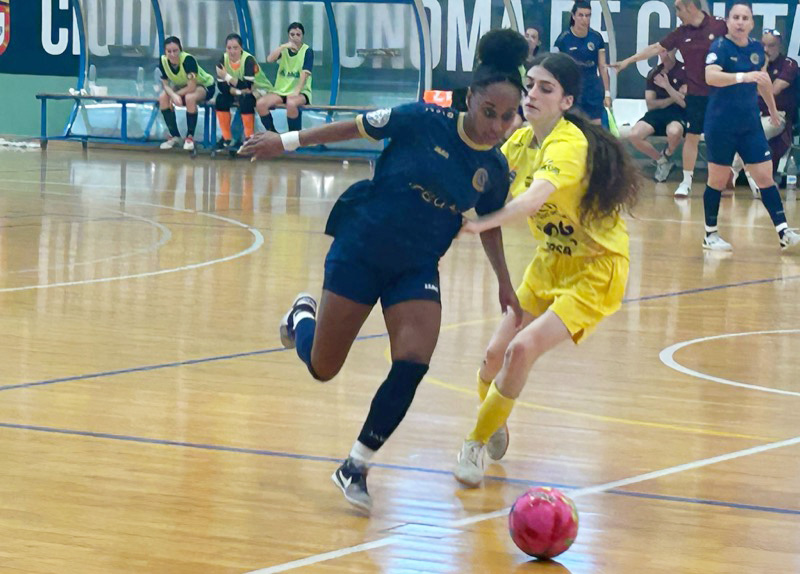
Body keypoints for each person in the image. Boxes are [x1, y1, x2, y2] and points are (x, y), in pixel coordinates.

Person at [239, 29, 528, 513]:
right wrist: (284, 142)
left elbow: (490, 224)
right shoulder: (423, 119)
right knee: (323, 368)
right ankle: (301, 317)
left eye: (507, 116)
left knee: (414, 359)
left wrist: (504, 280)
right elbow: (353, 127)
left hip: (416, 266)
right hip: (362, 246)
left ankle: (356, 464)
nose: (497, 126)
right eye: (489, 112)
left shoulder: (495, 169)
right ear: (470, 99)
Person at [450, 52, 640, 488]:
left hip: (596, 268)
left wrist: (481, 222)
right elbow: (477, 174)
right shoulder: (520, 142)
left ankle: (473, 443)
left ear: (566, 101)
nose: (532, 94)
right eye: (530, 85)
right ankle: (494, 419)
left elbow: (533, 200)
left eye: (545, 88)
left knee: (521, 349)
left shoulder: (568, 144)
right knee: (493, 356)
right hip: (551, 260)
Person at [700, 2, 800, 253]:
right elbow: (711, 76)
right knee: (718, 179)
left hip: (749, 124)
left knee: (765, 177)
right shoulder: (720, 47)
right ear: (728, 21)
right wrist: (742, 77)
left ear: (752, 23)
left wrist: (773, 111)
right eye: (736, 17)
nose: (740, 22)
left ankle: (783, 232)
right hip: (721, 124)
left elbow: (763, 82)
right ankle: (710, 234)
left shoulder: (756, 49)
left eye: (745, 18)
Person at [613, 0, 727, 198]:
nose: (677, 13)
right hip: (696, 96)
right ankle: (686, 182)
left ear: (690, 7)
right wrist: (628, 61)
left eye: (678, 9)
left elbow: (738, 44)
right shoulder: (681, 33)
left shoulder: (719, 25)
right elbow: (655, 48)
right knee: (692, 138)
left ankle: (725, 181)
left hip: (720, 94)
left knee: (723, 137)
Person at [732, 28, 799, 194]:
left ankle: (734, 172)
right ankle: (745, 177)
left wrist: (763, 68)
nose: (766, 49)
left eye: (771, 45)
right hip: (752, 114)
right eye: (763, 45)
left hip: (777, 116)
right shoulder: (752, 63)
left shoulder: (789, 64)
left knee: (754, 134)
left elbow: (773, 90)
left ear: (780, 46)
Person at [626, 49, 687, 182]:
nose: (664, 54)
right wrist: (674, 96)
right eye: (662, 51)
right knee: (634, 135)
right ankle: (662, 161)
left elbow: (684, 103)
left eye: (668, 51)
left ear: (675, 51)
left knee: (674, 131)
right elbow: (651, 104)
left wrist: (667, 86)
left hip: (677, 113)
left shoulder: (685, 71)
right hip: (656, 114)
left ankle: (667, 154)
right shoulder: (654, 73)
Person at [554, 1, 612, 124]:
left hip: (592, 87)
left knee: (596, 125)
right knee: (573, 123)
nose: (584, 19)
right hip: (573, 86)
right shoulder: (563, 39)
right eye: (581, 15)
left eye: (588, 15)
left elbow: (602, 67)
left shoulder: (596, 38)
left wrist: (607, 93)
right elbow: (557, 68)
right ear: (573, 16)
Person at [157, 36, 215, 152]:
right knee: (163, 97)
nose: (172, 54)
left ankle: (190, 137)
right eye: (169, 51)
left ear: (180, 50)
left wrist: (176, 95)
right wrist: (173, 96)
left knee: (190, 97)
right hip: (182, 86)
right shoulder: (163, 61)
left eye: (175, 51)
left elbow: (192, 87)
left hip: (204, 85)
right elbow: (165, 85)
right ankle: (175, 136)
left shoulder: (188, 60)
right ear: (165, 52)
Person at [214, 33, 271, 149]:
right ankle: (226, 137)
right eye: (229, 48)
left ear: (241, 48)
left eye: (235, 48)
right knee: (220, 99)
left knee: (246, 100)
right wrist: (238, 92)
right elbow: (221, 86)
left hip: (260, 89)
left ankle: (248, 137)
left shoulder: (248, 60)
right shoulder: (223, 59)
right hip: (238, 90)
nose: (232, 51)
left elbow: (247, 86)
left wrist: (227, 77)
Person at [256, 22, 313, 134]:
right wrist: (282, 47)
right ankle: (273, 134)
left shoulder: (307, 51)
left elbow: (305, 74)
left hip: (301, 91)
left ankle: (293, 137)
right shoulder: (284, 50)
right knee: (261, 104)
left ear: (302, 36)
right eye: (292, 34)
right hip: (281, 91)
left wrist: (296, 91)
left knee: (291, 104)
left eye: (298, 34)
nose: (295, 37)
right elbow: (270, 59)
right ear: (288, 36)